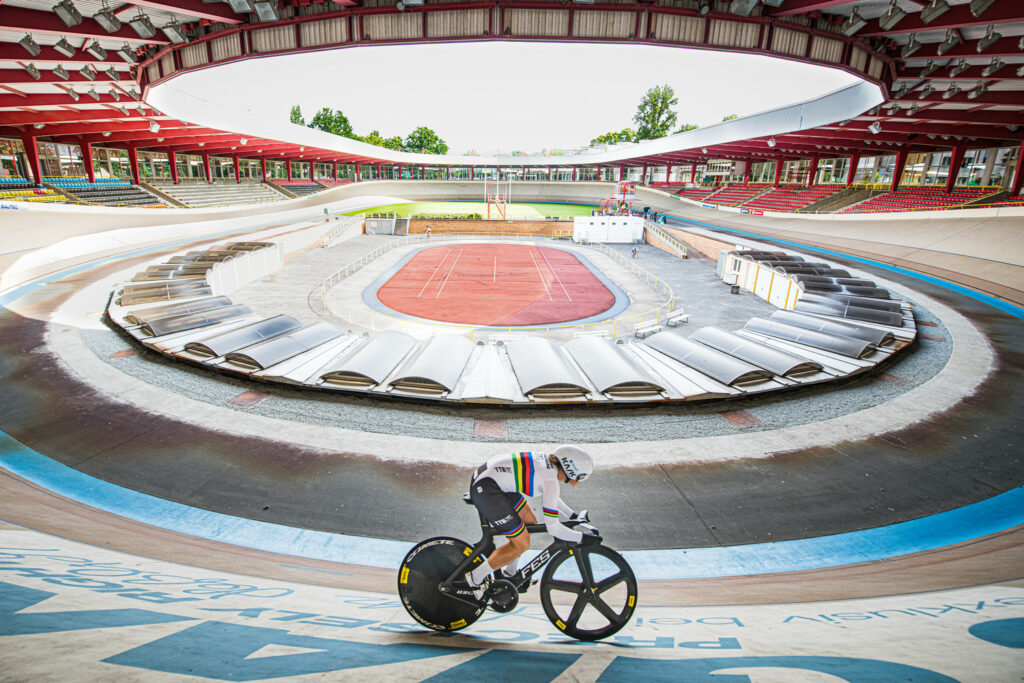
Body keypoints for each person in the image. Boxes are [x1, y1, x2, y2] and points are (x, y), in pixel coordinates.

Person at [463, 446, 598, 595]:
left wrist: (572, 516)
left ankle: (510, 574)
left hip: (493, 483)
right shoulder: (550, 480)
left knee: (530, 522)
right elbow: (553, 528)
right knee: (521, 544)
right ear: (570, 469)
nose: (579, 482)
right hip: (488, 489)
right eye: (581, 477)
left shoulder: (549, 468)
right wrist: (582, 538)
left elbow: (550, 496)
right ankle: (475, 579)